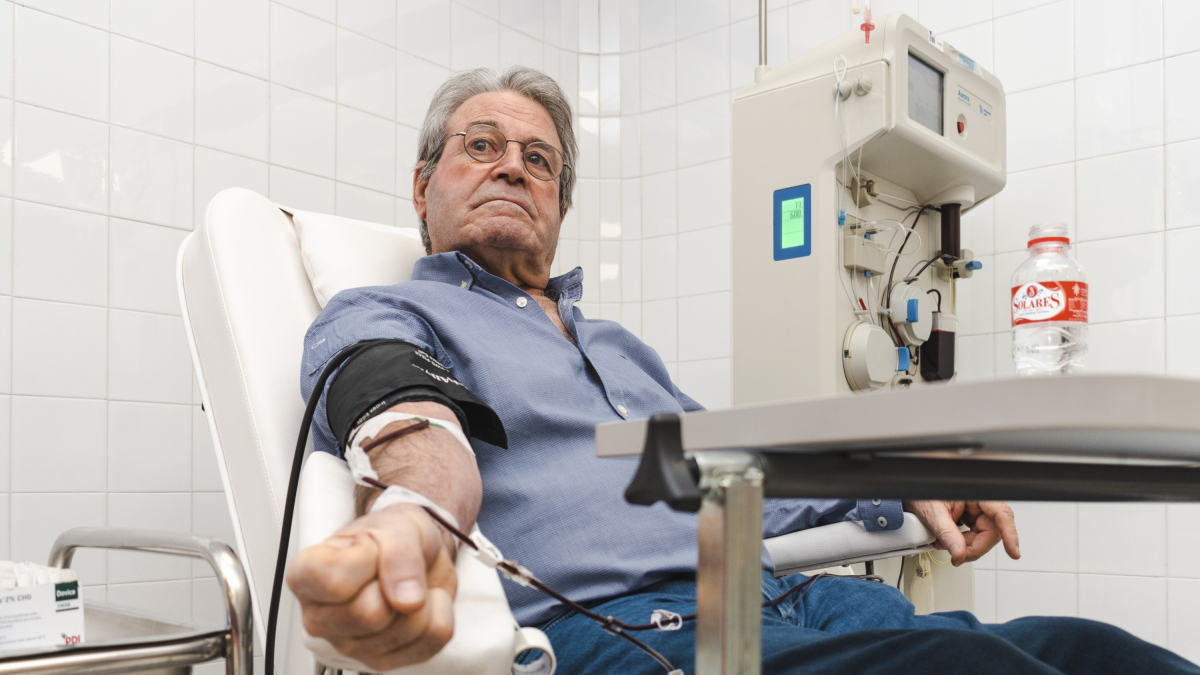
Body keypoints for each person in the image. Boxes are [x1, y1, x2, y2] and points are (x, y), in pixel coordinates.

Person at [286, 66, 1198, 675]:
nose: (514, 171)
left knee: (1094, 651)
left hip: (790, 601)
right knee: (975, 668)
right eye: (481, 146)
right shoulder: (387, 311)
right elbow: (410, 422)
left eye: (540, 161)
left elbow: (738, 478)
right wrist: (419, 516)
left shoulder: (618, 348)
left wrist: (908, 482)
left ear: (560, 205)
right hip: (631, 629)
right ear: (423, 186)